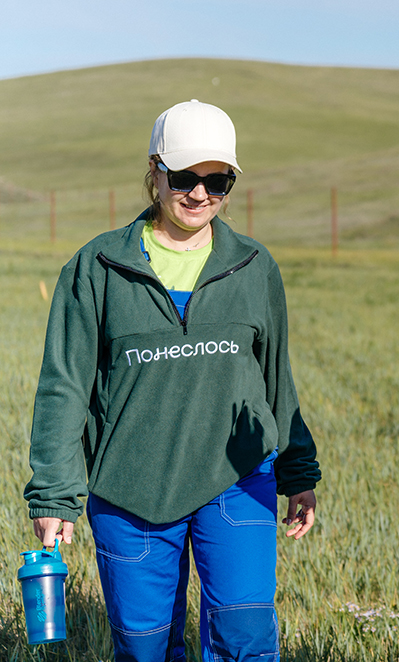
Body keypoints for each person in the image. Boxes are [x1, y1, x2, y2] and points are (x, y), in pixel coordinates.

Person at [25, 99, 321, 661]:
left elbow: (276, 377)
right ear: (155, 172)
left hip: (237, 480)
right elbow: (63, 387)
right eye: (185, 177)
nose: (201, 194)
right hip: (131, 486)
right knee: (145, 648)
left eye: (219, 181)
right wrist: (54, 496)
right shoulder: (97, 269)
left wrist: (297, 470)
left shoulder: (254, 266)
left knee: (246, 639)